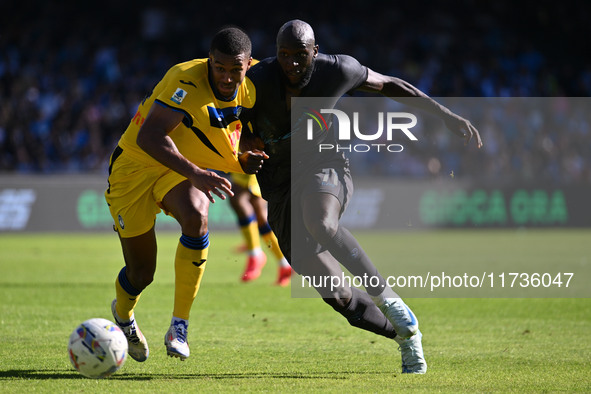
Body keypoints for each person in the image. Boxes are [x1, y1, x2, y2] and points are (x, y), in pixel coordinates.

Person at [244, 20, 483, 374]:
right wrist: (244, 150)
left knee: (321, 222)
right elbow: (234, 126)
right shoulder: (256, 81)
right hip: (278, 185)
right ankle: (407, 335)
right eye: (284, 55)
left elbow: (389, 84)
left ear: (316, 51)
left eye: (300, 55)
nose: (292, 63)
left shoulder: (339, 69)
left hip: (323, 164)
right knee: (339, 296)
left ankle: (390, 301)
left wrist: (444, 114)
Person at [104, 27, 266, 362]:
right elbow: (150, 136)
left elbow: (248, 127)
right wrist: (196, 173)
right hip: (134, 168)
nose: (226, 76)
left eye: (235, 69)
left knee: (197, 218)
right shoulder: (185, 79)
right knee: (141, 274)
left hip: (176, 169)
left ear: (247, 65)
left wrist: (246, 156)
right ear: (210, 60)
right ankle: (123, 315)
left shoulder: (253, 85)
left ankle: (179, 325)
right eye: (219, 67)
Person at [228, 172, 292, 286]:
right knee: (260, 215)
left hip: (256, 165)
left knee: (239, 199)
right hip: (251, 166)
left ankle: (255, 254)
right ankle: (284, 263)